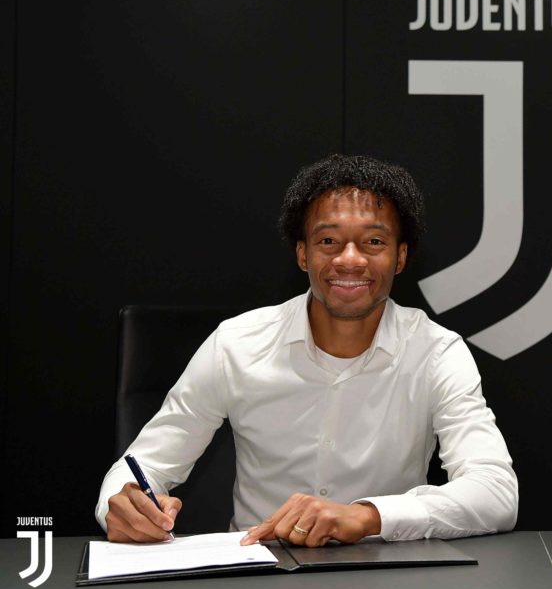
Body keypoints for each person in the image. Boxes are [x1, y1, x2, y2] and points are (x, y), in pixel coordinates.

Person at [95, 154, 518, 547]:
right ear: (303, 254)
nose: (349, 260)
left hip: (385, 572)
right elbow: (143, 465)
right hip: (258, 570)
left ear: (400, 256)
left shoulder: (437, 353)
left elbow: (495, 492)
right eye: (328, 241)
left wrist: (368, 516)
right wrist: (123, 504)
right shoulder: (236, 344)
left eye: (373, 242)